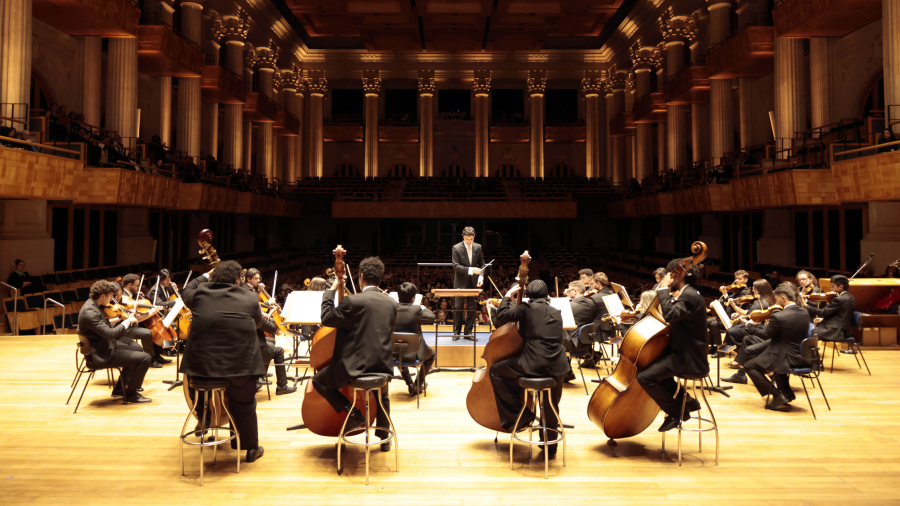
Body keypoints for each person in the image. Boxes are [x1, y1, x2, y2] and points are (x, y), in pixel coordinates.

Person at [179, 260, 266, 463]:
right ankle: (250, 447)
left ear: (214, 277)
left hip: (203, 369)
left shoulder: (200, 293)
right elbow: (259, 323)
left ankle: (203, 416)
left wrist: (207, 274)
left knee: (197, 388)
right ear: (238, 279)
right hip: (240, 366)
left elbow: (186, 289)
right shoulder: (249, 296)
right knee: (244, 403)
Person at [311, 257, 399, 452]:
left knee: (318, 380)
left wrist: (331, 290)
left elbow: (327, 318)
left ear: (360, 278)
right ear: (380, 278)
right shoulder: (391, 303)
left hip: (355, 367)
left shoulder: (352, 301)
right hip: (383, 365)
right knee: (382, 395)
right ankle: (384, 439)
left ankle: (352, 414)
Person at [489, 280, 570, 455]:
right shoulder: (556, 311)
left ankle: (522, 416)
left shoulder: (526, 309)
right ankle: (550, 446)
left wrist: (507, 296)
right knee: (551, 403)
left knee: (496, 372)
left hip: (533, 363)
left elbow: (500, 318)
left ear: (528, 295)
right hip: (559, 365)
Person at [637, 258, 708, 432]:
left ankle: (677, 412)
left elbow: (670, 315)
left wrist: (662, 289)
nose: (666, 279)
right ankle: (688, 400)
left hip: (688, 357)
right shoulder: (689, 294)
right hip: (682, 352)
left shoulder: (689, 296)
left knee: (644, 377)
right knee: (656, 371)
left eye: (669, 275)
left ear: (678, 275)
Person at [77, 280, 152, 404]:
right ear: (102, 296)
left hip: (104, 345)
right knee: (145, 359)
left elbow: (104, 326)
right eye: (110, 296)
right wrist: (127, 322)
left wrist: (126, 317)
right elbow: (110, 333)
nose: (111, 300)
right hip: (101, 353)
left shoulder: (92, 305)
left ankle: (120, 389)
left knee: (137, 349)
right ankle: (131, 394)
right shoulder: (90, 312)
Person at [740, 283, 811, 410]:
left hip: (784, 355)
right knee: (753, 351)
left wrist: (750, 325)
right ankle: (786, 392)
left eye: (777, 299)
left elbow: (765, 334)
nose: (775, 302)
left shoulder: (779, 316)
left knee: (749, 366)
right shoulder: (805, 312)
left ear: (783, 298)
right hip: (801, 355)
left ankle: (777, 394)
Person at [244, 268, 296, 396]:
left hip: (246, 341)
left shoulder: (243, 298)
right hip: (251, 346)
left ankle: (259, 377)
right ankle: (282, 386)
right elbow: (266, 325)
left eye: (258, 278)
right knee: (278, 350)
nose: (258, 281)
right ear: (248, 279)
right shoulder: (249, 296)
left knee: (271, 341)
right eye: (255, 278)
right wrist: (273, 326)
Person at [395, 282, 436, 395]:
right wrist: (421, 306)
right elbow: (432, 316)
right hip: (415, 353)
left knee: (400, 356)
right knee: (432, 355)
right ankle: (417, 385)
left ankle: (410, 384)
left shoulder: (391, 309)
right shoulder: (417, 309)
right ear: (413, 298)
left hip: (393, 352)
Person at [120, 273, 168, 367]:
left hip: (138, 320)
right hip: (128, 324)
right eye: (137, 285)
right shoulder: (123, 296)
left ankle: (157, 355)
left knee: (158, 328)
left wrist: (139, 296)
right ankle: (150, 359)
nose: (139, 288)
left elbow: (141, 309)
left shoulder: (133, 295)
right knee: (148, 332)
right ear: (130, 285)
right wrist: (151, 312)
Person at [451, 226, 485, 341]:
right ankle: (456, 332)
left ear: (474, 237)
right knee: (458, 307)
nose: (469, 241)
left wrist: (481, 276)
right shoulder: (456, 248)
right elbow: (456, 266)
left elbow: (482, 265)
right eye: (466, 239)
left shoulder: (478, 247)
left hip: (473, 282)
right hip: (460, 282)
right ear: (463, 237)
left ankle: (468, 332)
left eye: (471, 239)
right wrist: (472, 270)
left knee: (472, 308)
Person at [807, 275, 856, 343]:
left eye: (833, 286)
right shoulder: (851, 297)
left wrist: (806, 306)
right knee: (809, 329)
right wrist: (822, 319)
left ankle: (810, 352)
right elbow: (841, 314)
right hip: (843, 329)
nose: (831, 289)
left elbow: (823, 312)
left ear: (841, 287)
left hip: (836, 331)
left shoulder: (839, 299)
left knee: (807, 331)